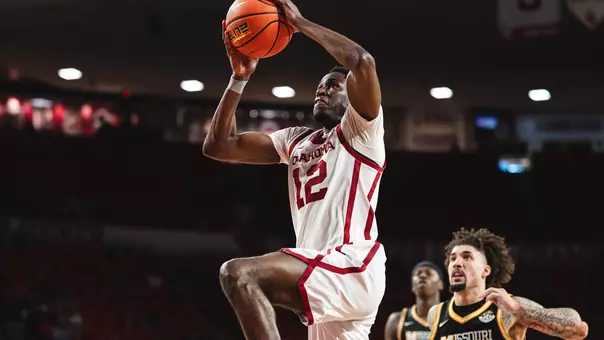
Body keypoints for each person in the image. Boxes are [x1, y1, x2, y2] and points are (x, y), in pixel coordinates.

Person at [202, 0, 386, 339]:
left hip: (352, 263)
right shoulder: (297, 140)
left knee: (238, 274)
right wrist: (238, 79)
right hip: (320, 265)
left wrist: (299, 23)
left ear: (354, 96)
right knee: (241, 277)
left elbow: (362, 61)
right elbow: (218, 146)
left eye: (333, 84)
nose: (322, 89)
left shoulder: (362, 132)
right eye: (320, 84)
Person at [427, 228, 589, 340]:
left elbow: (578, 329)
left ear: (486, 270)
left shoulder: (506, 309)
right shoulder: (436, 314)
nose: (456, 263)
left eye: (467, 257)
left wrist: (518, 310)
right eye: (453, 258)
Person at [384, 261, 443, 340]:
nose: (422, 275)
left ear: (440, 284)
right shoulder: (397, 320)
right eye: (418, 274)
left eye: (428, 273)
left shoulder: (451, 319)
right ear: (413, 286)